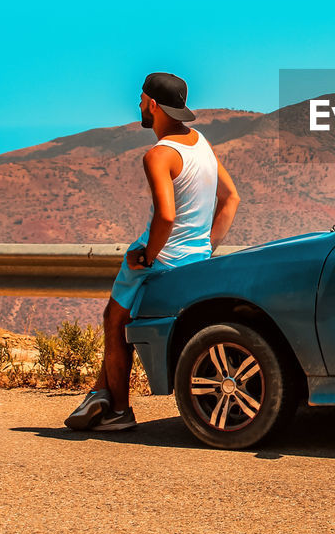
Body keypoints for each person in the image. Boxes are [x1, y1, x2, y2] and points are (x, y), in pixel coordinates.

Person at [65, 72, 240, 431]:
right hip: (194, 259)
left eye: (141, 99)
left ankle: (118, 411)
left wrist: (147, 255)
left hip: (159, 259)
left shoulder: (159, 155)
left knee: (114, 319)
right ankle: (100, 392)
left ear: (153, 105)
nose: (139, 105)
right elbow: (230, 198)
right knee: (125, 319)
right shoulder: (201, 143)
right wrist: (206, 247)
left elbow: (166, 214)